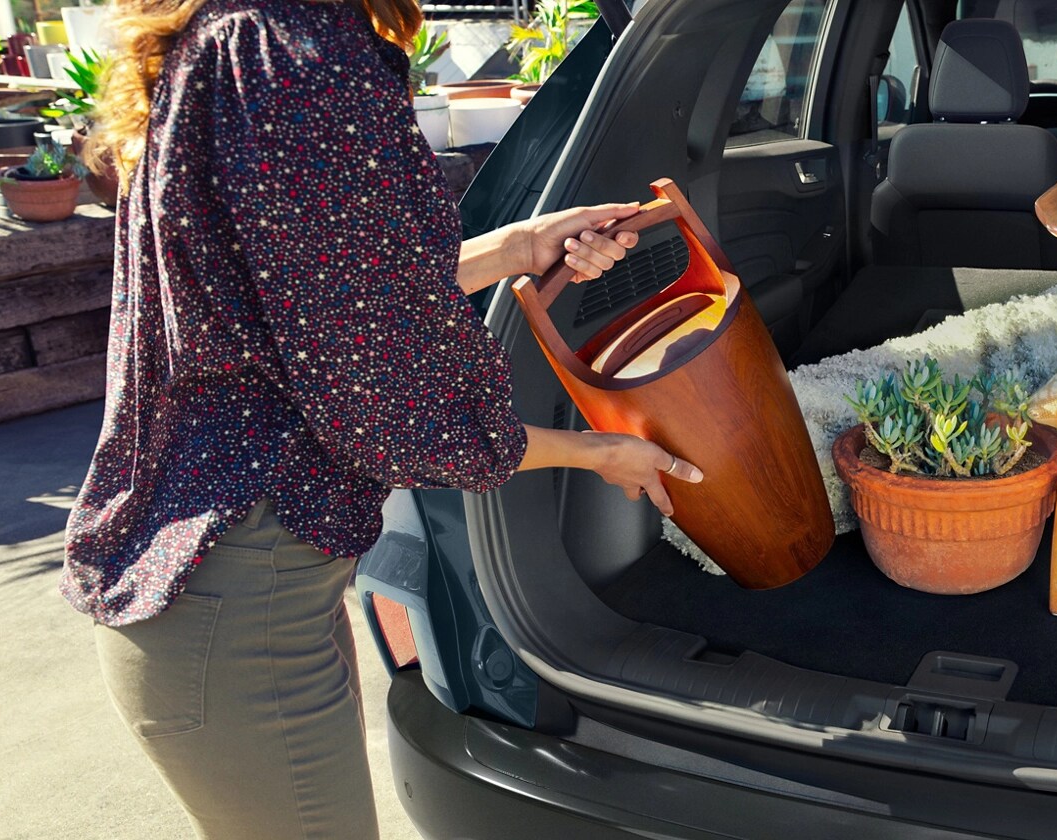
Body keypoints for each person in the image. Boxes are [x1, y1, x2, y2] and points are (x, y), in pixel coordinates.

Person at [61, 0, 699, 836]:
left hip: (232, 585)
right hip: (239, 596)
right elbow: (387, 396)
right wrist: (595, 452)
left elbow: (326, 300)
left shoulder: (241, 38)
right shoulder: (297, 53)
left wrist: (518, 247)